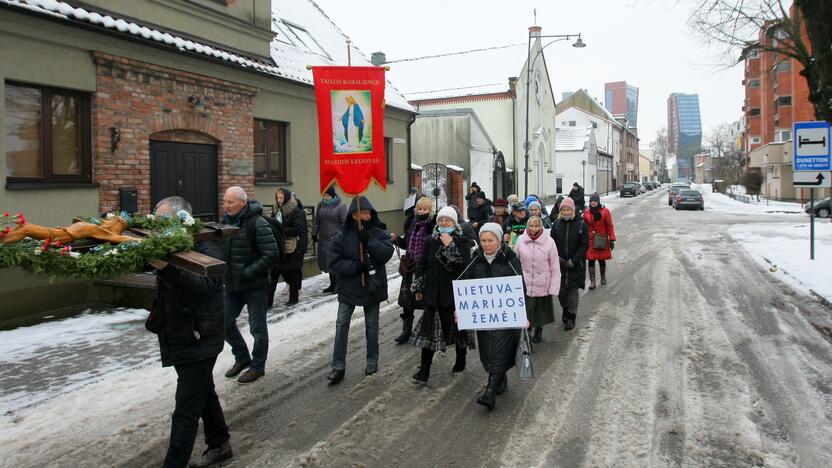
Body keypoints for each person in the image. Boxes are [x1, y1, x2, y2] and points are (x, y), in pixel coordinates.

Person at [146, 197, 232, 468]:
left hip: (201, 337)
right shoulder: (170, 244)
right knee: (203, 392)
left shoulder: (207, 246)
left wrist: (166, 268)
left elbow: (206, 287)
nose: (158, 226)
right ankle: (219, 443)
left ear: (181, 218)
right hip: (180, 335)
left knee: (185, 410)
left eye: (163, 220)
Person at [326, 196, 395, 385]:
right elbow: (333, 262)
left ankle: (372, 361)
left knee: (371, 326)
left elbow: (386, 254)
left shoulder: (379, 231)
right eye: (362, 213)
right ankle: (337, 366)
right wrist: (356, 267)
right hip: (349, 288)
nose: (366, 216)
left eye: (368, 212)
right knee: (342, 325)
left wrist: (369, 242)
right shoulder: (342, 234)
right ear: (353, 215)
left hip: (372, 288)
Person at [460, 222, 523, 410]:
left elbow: (520, 288)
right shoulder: (475, 259)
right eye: (483, 240)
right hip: (484, 317)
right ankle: (499, 377)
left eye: (490, 240)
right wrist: (461, 310)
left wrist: (524, 314)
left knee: (498, 347)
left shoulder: (510, 259)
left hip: (504, 317)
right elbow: (466, 285)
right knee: (488, 351)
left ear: (499, 240)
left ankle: (490, 390)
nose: (486, 244)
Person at [221, 187, 280, 384]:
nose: (226, 206)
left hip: (255, 285)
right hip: (232, 284)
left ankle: (257, 367)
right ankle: (242, 357)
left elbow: (271, 253)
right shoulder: (225, 223)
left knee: (258, 329)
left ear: (242, 203)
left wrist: (248, 272)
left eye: (230, 202)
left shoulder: (257, 222)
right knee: (224, 323)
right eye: (225, 201)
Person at [410, 206, 475, 382]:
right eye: (441, 220)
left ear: (454, 223)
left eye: (448, 221)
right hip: (433, 294)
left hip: (453, 296)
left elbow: (462, 268)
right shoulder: (430, 240)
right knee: (429, 334)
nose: (444, 223)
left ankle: (461, 359)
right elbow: (422, 265)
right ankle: (424, 370)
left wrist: (450, 246)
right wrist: (418, 287)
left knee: (458, 331)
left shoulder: (463, 241)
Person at [392, 196, 435, 344]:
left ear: (430, 210)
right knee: (407, 302)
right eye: (420, 208)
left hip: (426, 267)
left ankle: (428, 330)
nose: (422, 211)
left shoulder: (432, 225)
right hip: (411, 266)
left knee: (428, 301)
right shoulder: (412, 223)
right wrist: (397, 240)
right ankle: (406, 331)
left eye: (425, 209)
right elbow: (407, 243)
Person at [515, 216, 560, 344]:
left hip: (542, 282)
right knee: (527, 309)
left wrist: (553, 287)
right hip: (526, 281)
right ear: (527, 226)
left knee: (540, 310)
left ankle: (539, 329)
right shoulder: (520, 240)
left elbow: (555, 266)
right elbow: (515, 261)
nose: (533, 229)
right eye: (531, 226)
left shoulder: (549, 242)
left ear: (540, 227)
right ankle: (527, 332)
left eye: (536, 226)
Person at [550, 198, 589, 331]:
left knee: (572, 291)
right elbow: (552, 244)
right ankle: (565, 309)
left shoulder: (581, 224)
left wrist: (574, 260)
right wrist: (558, 259)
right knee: (561, 291)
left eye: (568, 210)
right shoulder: (556, 224)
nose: (566, 212)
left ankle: (571, 316)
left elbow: (584, 245)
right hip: (560, 264)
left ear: (572, 211)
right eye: (563, 210)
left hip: (576, 264)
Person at [267, 188, 307, 307]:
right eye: (277, 197)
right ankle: (268, 301)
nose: (279, 200)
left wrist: (280, 230)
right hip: (278, 247)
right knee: (272, 275)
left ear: (287, 198)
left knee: (291, 274)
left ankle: (293, 298)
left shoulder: (296, 211)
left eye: (281, 198)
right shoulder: (276, 210)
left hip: (292, 248)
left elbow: (298, 229)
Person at [313, 186, 348, 295]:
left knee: (334, 261)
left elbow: (344, 223)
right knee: (326, 261)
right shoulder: (320, 205)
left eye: (327, 195)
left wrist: (343, 237)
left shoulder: (341, 206)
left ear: (332, 195)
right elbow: (317, 220)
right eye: (324, 195)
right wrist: (314, 233)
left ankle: (338, 284)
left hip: (335, 238)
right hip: (324, 238)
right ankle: (332, 284)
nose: (325, 197)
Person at [583, 193, 616, 290]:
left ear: (598, 201)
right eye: (591, 201)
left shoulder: (605, 212)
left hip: (601, 239)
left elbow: (609, 226)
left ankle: (603, 277)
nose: (593, 203)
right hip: (590, 240)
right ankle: (592, 281)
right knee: (591, 260)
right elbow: (583, 226)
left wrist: (612, 239)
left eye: (594, 201)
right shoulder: (586, 212)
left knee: (601, 259)